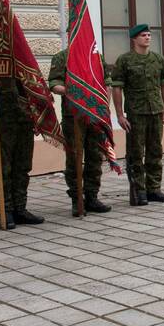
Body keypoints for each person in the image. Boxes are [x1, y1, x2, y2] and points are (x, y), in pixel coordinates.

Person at [0, 51, 42, 228]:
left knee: (23, 167)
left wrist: (38, 118)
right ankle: (5, 210)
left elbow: (34, 88)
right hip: (1, 123)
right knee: (2, 167)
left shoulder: (23, 54)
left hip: (24, 120)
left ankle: (20, 208)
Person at [112, 24, 164, 206]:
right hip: (136, 113)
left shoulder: (158, 59)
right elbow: (117, 88)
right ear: (134, 39)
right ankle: (138, 191)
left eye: (148, 35)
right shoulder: (125, 60)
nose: (147, 38)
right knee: (135, 153)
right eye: (143, 35)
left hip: (155, 111)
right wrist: (120, 115)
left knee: (155, 151)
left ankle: (154, 188)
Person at [48, 45, 112, 213]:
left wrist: (104, 109)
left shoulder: (96, 57)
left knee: (95, 156)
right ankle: (77, 200)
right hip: (73, 116)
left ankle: (92, 197)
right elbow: (54, 84)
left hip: (94, 114)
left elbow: (106, 83)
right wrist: (74, 90)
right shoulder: (62, 57)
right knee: (74, 157)